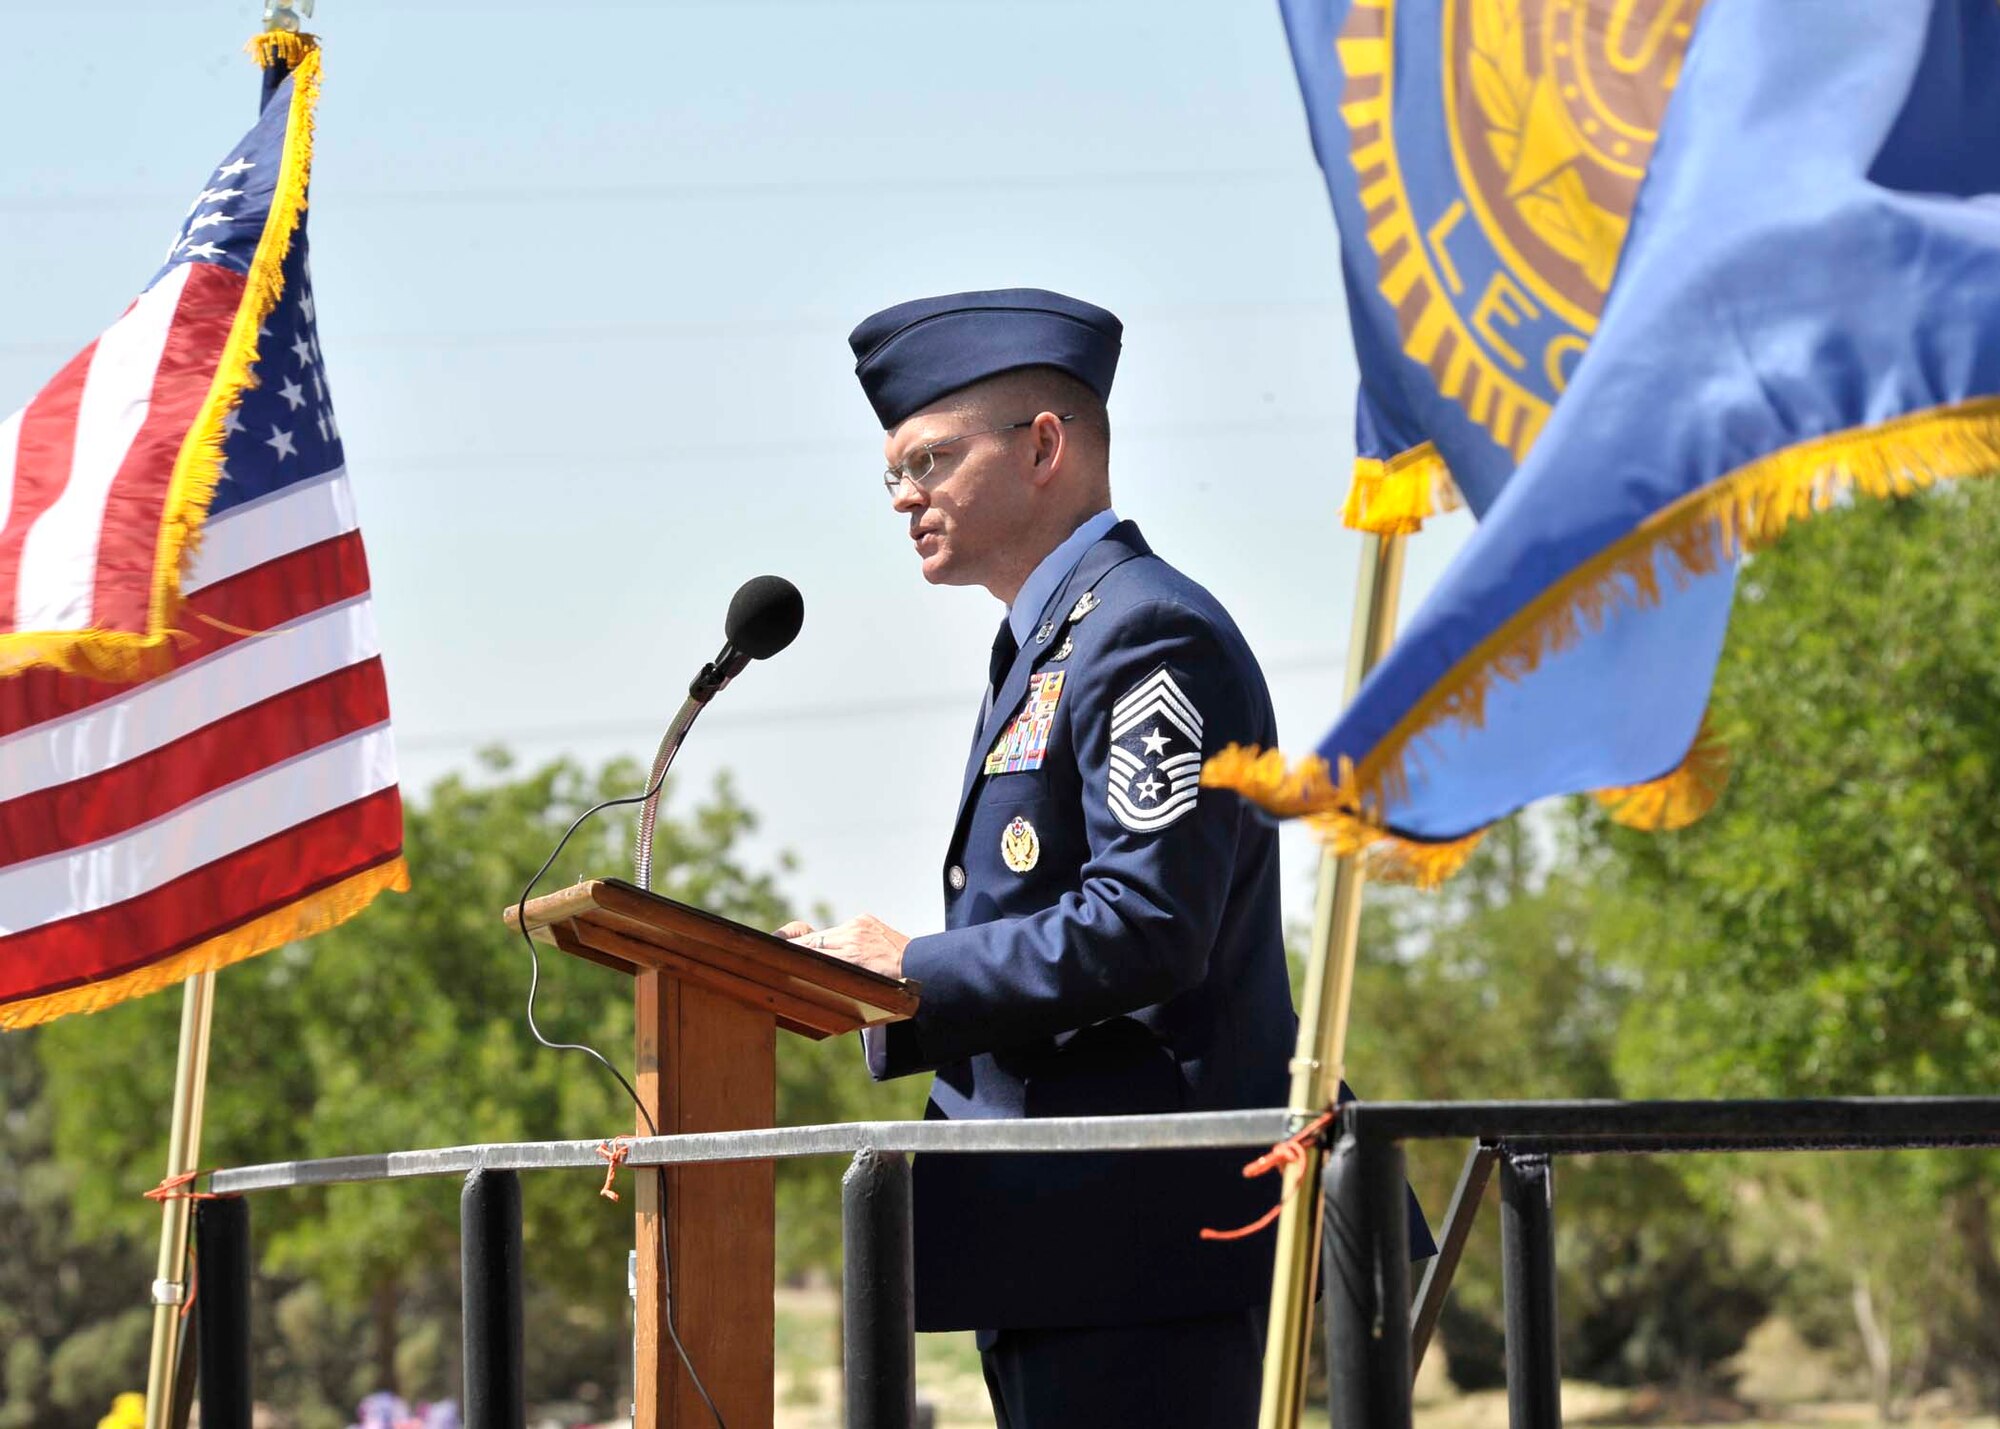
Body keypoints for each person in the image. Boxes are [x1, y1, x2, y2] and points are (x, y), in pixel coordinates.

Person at [779, 288, 1410, 1427]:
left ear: (1043, 447)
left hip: (1143, 1236)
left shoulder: (1143, 632)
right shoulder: (1047, 640)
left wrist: (910, 967)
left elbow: (1146, 923)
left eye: (926, 460)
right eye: (890, 475)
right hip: (1058, 1236)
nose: (903, 497)